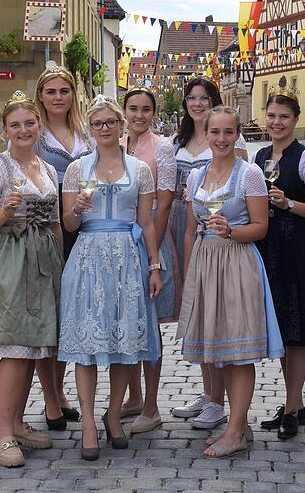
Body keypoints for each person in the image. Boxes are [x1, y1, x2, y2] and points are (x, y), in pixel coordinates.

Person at [57, 95, 163, 461]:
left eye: (110, 123)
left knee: (124, 344)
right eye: (98, 123)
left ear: (121, 126)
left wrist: (154, 265)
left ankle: (114, 413)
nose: (105, 128)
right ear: (90, 128)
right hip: (88, 257)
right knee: (87, 346)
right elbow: (69, 224)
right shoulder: (77, 170)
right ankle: (88, 420)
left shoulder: (140, 169)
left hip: (128, 261)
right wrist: (75, 209)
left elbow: (146, 222)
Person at [177, 105, 284, 458]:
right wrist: (192, 272)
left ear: (237, 134)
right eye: (215, 132)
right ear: (205, 134)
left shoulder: (249, 173)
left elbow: (261, 227)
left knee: (238, 352)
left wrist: (231, 230)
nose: (221, 139)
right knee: (217, 348)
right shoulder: (196, 178)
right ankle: (239, 424)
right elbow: (191, 231)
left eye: (228, 132)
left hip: (237, 261)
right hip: (206, 264)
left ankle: (235, 430)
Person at [0, 91, 64, 467]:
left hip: (44, 260)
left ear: (38, 126)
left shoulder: (48, 169)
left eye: (29, 123)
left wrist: (64, 264)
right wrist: (5, 212)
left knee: (34, 347)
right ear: (5, 130)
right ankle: (3, 435)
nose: (23, 130)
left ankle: (18, 422)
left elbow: (56, 221)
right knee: (14, 349)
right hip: (9, 259)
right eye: (15, 125)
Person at [168, 74, 249, 430]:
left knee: (222, 321)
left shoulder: (232, 141)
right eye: (191, 98)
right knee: (201, 319)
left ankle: (222, 400)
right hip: (187, 224)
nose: (197, 103)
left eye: (203, 98)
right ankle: (208, 393)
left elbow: (244, 191)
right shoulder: (178, 140)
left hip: (224, 235)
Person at [252, 85, 305, 440]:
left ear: (296, 120)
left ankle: (293, 408)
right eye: (272, 116)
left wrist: (288, 204)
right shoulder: (260, 157)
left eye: (284, 117)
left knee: (297, 332)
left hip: (297, 247)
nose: (277, 122)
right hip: (268, 249)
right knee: (283, 329)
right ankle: (293, 403)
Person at [118, 84, 179, 434]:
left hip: (150, 235)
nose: (139, 115)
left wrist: (150, 247)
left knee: (149, 324)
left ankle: (152, 405)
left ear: (153, 114)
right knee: (127, 320)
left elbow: (166, 200)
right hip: (118, 238)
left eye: (145, 109)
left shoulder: (163, 148)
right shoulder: (114, 142)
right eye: (133, 108)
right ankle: (133, 397)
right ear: (124, 111)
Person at [33, 61, 89, 429]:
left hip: (84, 229)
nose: (58, 97)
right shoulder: (32, 134)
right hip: (48, 228)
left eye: (63, 91)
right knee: (48, 314)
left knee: (69, 313)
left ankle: (61, 390)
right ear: (41, 96)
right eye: (51, 91)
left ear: (73, 96)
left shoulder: (85, 131)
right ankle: (51, 398)